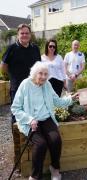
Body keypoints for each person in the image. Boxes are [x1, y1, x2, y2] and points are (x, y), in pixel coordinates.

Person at [11, 61, 78, 180]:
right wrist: (29, 119)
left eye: (46, 74)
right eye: (40, 73)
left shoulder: (47, 84)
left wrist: (70, 99)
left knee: (56, 139)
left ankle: (55, 168)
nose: (43, 77)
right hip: (31, 122)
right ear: (34, 73)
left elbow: (57, 101)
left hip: (46, 119)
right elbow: (15, 108)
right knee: (40, 144)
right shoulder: (25, 84)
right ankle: (35, 176)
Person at [0, 24, 41, 171]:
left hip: (33, 88)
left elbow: (38, 67)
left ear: (30, 35)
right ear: (18, 35)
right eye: (22, 33)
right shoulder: (12, 49)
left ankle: (31, 145)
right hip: (17, 89)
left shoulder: (35, 49)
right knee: (16, 118)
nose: (24, 35)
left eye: (27, 33)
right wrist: (12, 77)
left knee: (32, 114)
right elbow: (3, 66)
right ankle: (18, 154)